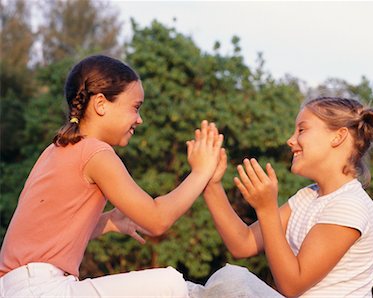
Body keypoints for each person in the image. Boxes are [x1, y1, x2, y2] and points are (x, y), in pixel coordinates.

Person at [0, 55, 223, 297]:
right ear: (101, 104)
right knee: (172, 284)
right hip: (41, 290)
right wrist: (201, 172)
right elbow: (158, 219)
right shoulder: (96, 153)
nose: (139, 119)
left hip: (18, 288)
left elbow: (47, 233)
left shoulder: (57, 149)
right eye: (135, 107)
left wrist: (108, 223)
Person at [194, 97, 373, 297]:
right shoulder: (308, 196)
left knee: (232, 281)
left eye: (302, 130)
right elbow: (242, 243)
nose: (291, 140)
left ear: (338, 137)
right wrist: (210, 182)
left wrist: (266, 209)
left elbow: (292, 284)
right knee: (226, 281)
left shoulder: (350, 205)